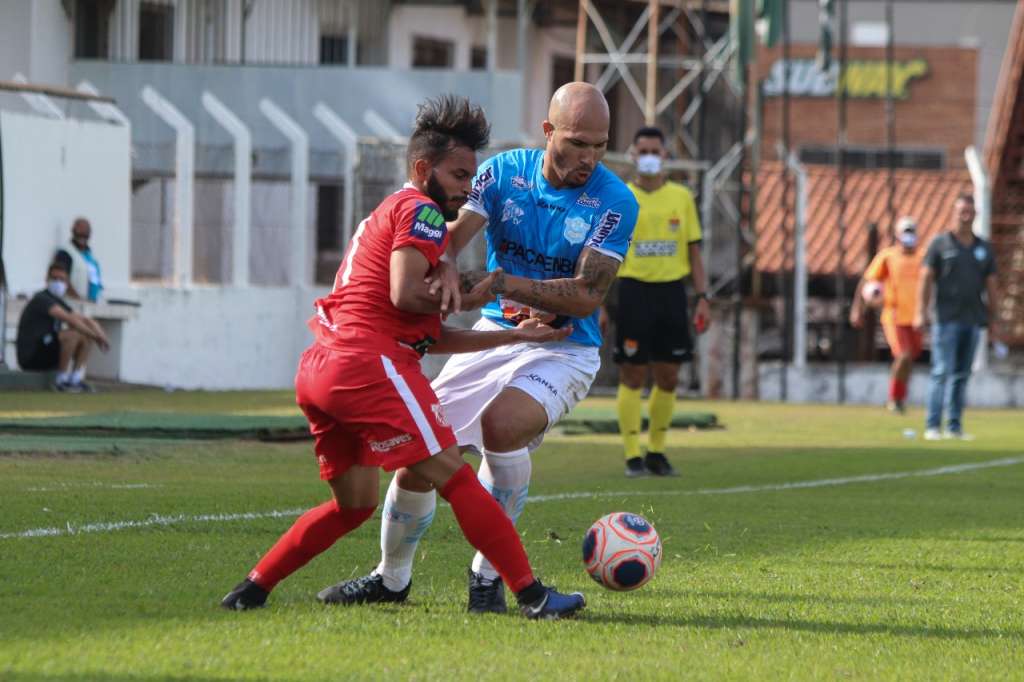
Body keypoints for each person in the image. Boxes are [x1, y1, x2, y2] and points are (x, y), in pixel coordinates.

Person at [220, 95, 586, 620]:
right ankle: (532, 595)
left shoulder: (390, 210)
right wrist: (484, 293)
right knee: (456, 476)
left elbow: (427, 334)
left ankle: (253, 587)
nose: (468, 186)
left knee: (355, 505)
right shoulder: (422, 211)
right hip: (369, 366)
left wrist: (514, 338)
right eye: (460, 174)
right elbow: (404, 296)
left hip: (323, 368)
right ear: (423, 168)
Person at [319, 82, 638, 614]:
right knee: (418, 461)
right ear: (548, 132)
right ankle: (391, 580)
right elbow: (448, 236)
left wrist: (502, 283)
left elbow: (586, 295)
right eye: (577, 142)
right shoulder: (501, 173)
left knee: (503, 426)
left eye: (599, 146)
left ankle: (487, 579)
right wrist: (439, 259)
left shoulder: (614, 201)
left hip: (563, 347)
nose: (588, 158)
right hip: (494, 336)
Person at [598, 126, 709, 478]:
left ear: (665, 156)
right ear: (632, 155)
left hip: (672, 293)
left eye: (655, 151)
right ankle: (632, 454)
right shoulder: (621, 197)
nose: (649, 157)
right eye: (642, 150)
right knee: (632, 373)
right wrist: (598, 301)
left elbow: (694, 252)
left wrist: (703, 297)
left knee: (669, 375)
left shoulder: (681, 197)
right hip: (633, 291)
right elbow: (602, 255)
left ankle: (657, 451)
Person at [914, 193, 999, 441]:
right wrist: (921, 311)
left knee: (962, 375)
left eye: (970, 211)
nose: (966, 215)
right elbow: (925, 279)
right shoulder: (939, 244)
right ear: (953, 212)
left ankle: (954, 427)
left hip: (973, 320)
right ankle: (932, 425)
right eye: (961, 210)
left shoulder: (984, 248)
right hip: (945, 319)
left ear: (975, 214)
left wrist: (994, 318)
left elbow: (992, 285)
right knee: (941, 371)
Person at [850, 217, 924, 414]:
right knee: (904, 355)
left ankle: (899, 398)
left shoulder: (922, 257)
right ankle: (893, 398)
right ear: (897, 235)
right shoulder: (887, 256)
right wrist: (857, 308)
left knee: (909, 359)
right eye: (905, 231)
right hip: (893, 316)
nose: (909, 235)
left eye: (911, 231)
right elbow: (867, 282)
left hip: (916, 317)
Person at [16, 261, 110, 392]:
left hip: (48, 350)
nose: (58, 282)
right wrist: (96, 337)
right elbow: (69, 319)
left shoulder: (59, 301)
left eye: (62, 279)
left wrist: (100, 335)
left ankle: (75, 379)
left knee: (85, 336)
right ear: (47, 279)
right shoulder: (42, 298)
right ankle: (61, 380)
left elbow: (85, 320)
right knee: (74, 334)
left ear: (67, 283)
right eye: (54, 278)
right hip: (32, 355)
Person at [55, 218, 103, 302]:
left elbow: (95, 279)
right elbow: (61, 278)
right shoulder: (65, 252)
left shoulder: (90, 256)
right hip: (72, 303)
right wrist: (77, 299)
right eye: (80, 230)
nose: (83, 234)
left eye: (86, 232)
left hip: (92, 303)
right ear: (73, 231)